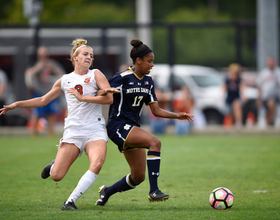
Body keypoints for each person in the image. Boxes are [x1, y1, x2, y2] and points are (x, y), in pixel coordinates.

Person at [0, 38, 119, 211]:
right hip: (74, 130)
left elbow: (109, 98)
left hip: (95, 128)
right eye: (85, 54)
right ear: (75, 57)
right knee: (56, 176)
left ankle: (70, 201)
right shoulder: (65, 80)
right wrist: (17, 104)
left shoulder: (96, 74)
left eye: (91, 55)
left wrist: (83, 97)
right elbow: (42, 100)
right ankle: (54, 164)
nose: (89, 57)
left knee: (97, 163)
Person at [90, 39, 194, 206]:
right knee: (155, 142)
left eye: (152, 61)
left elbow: (156, 110)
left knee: (138, 177)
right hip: (117, 126)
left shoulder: (148, 82)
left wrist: (177, 116)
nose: (152, 65)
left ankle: (106, 192)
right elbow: (99, 91)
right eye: (149, 61)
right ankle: (154, 191)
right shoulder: (121, 78)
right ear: (138, 60)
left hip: (132, 129)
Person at [25, 46, 66, 136]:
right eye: (41, 54)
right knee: (37, 115)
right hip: (38, 92)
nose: (43, 56)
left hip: (50, 93)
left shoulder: (52, 64)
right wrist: (39, 67)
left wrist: (52, 69)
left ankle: (50, 133)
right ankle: (34, 134)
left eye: (44, 54)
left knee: (52, 114)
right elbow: (28, 74)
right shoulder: (34, 64)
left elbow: (62, 74)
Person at [256, 56, 280, 126]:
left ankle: (271, 120)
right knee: (264, 109)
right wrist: (259, 98)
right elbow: (259, 86)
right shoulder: (263, 73)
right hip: (264, 95)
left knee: (271, 103)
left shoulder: (278, 72)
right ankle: (269, 120)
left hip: (275, 95)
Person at [222, 63, 246, 129]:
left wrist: (244, 96)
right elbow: (223, 88)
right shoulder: (227, 80)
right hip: (229, 99)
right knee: (230, 115)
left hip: (236, 98)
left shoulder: (239, 80)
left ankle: (239, 122)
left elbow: (242, 88)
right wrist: (221, 95)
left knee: (236, 105)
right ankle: (232, 125)